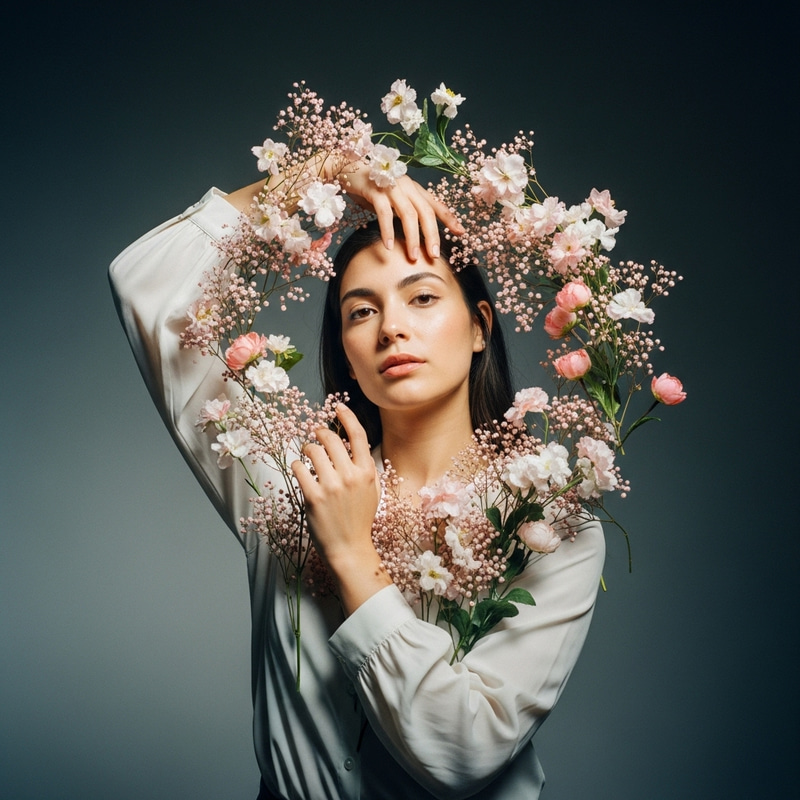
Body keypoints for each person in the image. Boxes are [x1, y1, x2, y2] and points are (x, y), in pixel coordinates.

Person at [109, 160, 605, 799]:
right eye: (360, 311)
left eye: (423, 297)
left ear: (480, 326)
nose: (391, 327)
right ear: (344, 344)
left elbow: (465, 753)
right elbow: (148, 289)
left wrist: (351, 553)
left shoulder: (547, 524)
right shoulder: (289, 475)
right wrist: (327, 171)